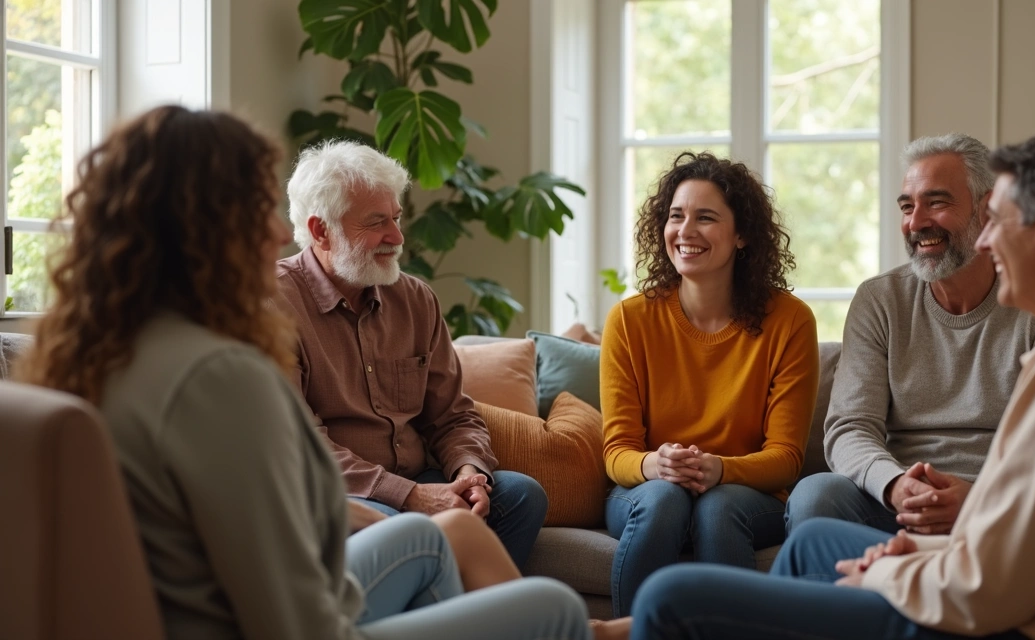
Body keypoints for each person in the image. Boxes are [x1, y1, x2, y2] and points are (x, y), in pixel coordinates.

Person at [17, 105, 592, 640]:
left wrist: (455, 479)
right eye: (255, 210)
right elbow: (293, 613)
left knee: (434, 533)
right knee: (557, 607)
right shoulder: (221, 374)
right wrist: (404, 501)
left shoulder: (95, 353)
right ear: (202, 232)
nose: (273, 233)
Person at [628, 128, 1035, 639]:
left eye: (1000, 220)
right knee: (810, 541)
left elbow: (998, 582)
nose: (987, 240)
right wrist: (912, 547)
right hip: (1013, 589)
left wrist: (889, 571)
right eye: (908, 204)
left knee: (667, 598)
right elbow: (1027, 539)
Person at [275, 140, 546, 569]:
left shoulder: (416, 298)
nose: (397, 238)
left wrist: (467, 472)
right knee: (403, 529)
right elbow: (300, 445)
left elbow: (453, 414)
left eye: (397, 219)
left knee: (520, 497)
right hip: (348, 495)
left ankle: (474, 615)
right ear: (322, 230)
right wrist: (412, 497)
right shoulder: (273, 305)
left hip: (423, 480)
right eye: (377, 222)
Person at [786, 133, 1035, 537]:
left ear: (989, 208)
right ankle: (868, 598)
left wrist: (980, 497)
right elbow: (849, 427)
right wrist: (893, 485)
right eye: (908, 206)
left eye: (936, 202)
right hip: (895, 499)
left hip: (997, 503)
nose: (916, 222)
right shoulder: (880, 300)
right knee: (815, 495)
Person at [600, 151, 819, 618]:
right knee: (663, 499)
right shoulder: (629, 320)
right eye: (676, 216)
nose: (686, 231)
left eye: (706, 218)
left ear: (742, 235)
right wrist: (654, 465)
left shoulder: (790, 321)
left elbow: (785, 458)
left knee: (717, 508)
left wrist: (720, 469)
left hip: (744, 494)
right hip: (648, 491)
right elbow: (617, 452)